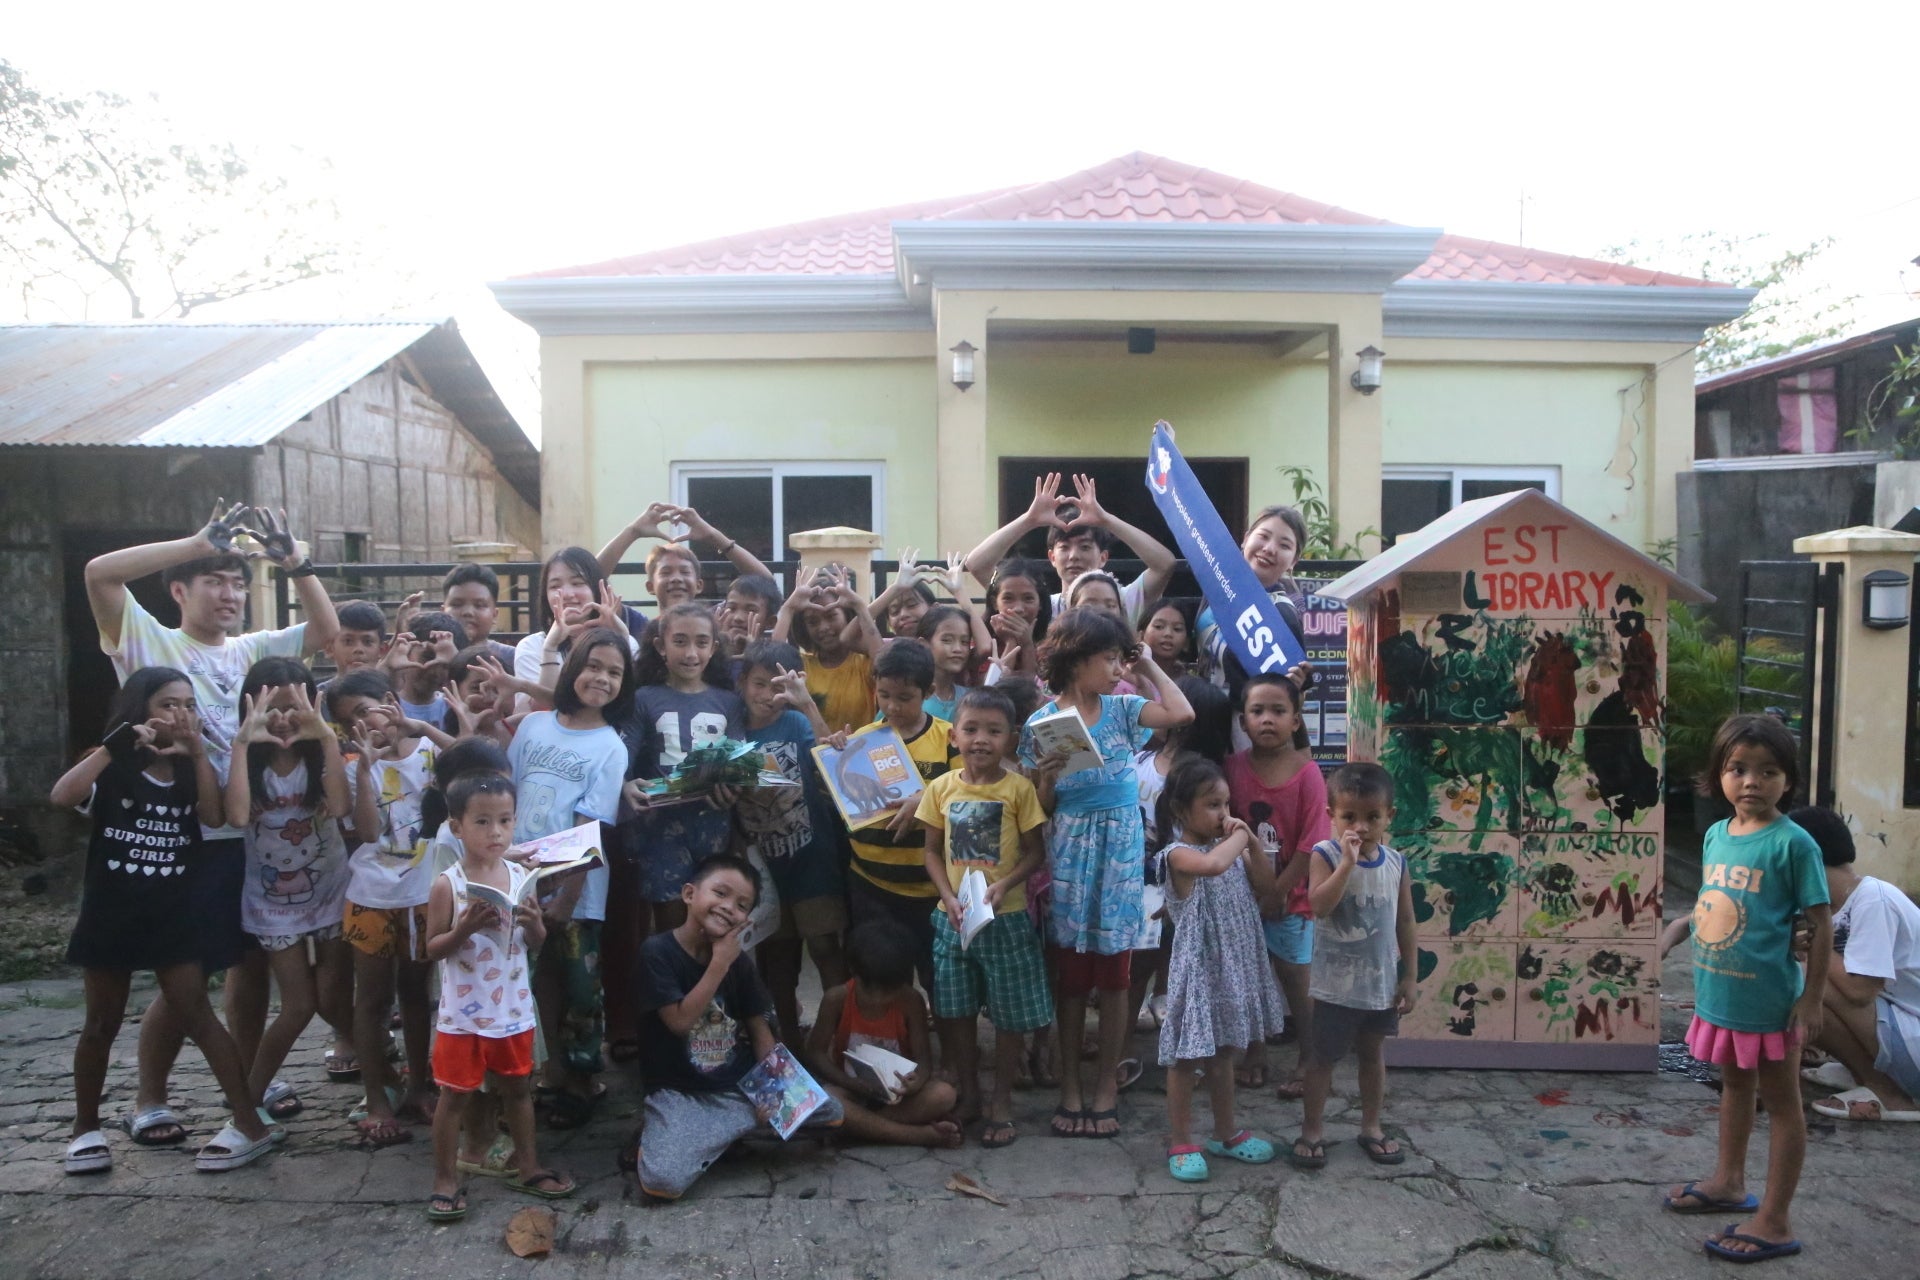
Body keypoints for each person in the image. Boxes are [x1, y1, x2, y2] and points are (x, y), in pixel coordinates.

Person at [83, 500, 339, 1150]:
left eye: (235, 583)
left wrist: (295, 561)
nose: (228, 594)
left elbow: (325, 629)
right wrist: (194, 542)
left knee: (247, 967)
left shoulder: (255, 649)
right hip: (181, 836)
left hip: (247, 839)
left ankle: (247, 1080)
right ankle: (150, 1097)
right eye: (213, 580)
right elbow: (99, 573)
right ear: (179, 590)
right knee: (186, 978)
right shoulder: (150, 642)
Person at [54, 667, 276, 1175]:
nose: (181, 714)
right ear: (140, 710)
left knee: (197, 1013)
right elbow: (62, 797)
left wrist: (197, 754)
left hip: (173, 915)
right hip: (111, 915)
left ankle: (249, 1123)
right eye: (168, 704)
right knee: (101, 1023)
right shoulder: (111, 765)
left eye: (189, 705)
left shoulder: (188, 767)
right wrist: (113, 746)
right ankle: (85, 1128)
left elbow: (214, 817)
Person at [1661, 715, 1833, 1263]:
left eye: (1768, 771)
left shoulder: (1794, 844)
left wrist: (1811, 1000)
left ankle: (1775, 1220)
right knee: (1734, 1085)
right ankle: (1728, 1182)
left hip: (1770, 1002)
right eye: (1738, 769)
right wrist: (1677, 930)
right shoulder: (1716, 835)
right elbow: (1713, 903)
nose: (1752, 781)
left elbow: (1821, 923)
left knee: (1782, 1103)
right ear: (1718, 775)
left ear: (1789, 780)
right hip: (1720, 994)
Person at [1021, 607, 1193, 1138]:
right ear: (1076, 659)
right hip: (1071, 852)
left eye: (1122, 658)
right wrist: (1047, 780)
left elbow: (1181, 712)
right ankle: (1071, 1086)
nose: (1118, 668)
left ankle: (1105, 1089)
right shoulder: (1042, 722)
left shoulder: (1123, 709)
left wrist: (1147, 665)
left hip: (1119, 853)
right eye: (1109, 658)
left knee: (1116, 976)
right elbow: (1041, 807)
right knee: (1073, 978)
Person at [632, 855, 845, 1201]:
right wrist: (719, 963)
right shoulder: (658, 952)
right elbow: (680, 1022)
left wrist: (771, 1092)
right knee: (662, 1181)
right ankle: (703, 1133)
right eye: (720, 893)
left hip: (737, 1084)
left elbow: (760, 1032)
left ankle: (719, 1135)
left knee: (831, 1114)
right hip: (680, 1090)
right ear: (689, 894)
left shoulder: (739, 963)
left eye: (742, 905)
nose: (728, 907)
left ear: (746, 919)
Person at [422, 772, 576, 1221]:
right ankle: (445, 1179)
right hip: (463, 1016)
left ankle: (528, 1166)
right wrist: (463, 928)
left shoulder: (520, 876)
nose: (496, 833)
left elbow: (535, 943)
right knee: (454, 1096)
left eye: (505, 821)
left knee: (519, 1090)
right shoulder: (448, 884)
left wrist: (535, 923)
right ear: (457, 826)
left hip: (512, 1010)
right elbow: (431, 948)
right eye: (483, 822)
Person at [606, 605, 745, 1061]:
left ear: (714, 647)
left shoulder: (728, 701)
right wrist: (626, 785)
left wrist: (733, 788)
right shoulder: (644, 698)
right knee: (673, 932)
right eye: (680, 641)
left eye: (701, 642)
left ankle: (712, 1035)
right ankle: (670, 1034)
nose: (691, 653)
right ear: (660, 647)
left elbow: (739, 762)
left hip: (713, 835)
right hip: (660, 837)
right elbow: (621, 760)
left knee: (715, 927)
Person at [508, 628, 632, 1130]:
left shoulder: (611, 746)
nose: (602, 679)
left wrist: (566, 898)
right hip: (521, 883)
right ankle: (551, 1071)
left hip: (576, 892)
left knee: (580, 987)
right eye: (593, 666)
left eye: (615, 672)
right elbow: (509, 797)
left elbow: (590, 828)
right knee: (540, 982)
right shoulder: (533, 726)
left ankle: (584, 1079)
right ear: (573, 668)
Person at [919, 687, 1053, 1146]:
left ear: (1010, 739)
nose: (981, 739)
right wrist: (947, 897)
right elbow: (931, 852)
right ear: (953, 736)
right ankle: (971, 1093)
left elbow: (1035, 852)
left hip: (1006, 918)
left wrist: (1005, 885)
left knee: (1009, 1013)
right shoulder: (941, 788)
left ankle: (1002, 1100)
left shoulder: (1019, 789)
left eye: (994, 731)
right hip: (952, 919)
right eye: (971, 729)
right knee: (954, 1008)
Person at [228, 658, 354, 1124]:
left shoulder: (321, 754)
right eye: (271, 708)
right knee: (298, 1006)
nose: (282, 719)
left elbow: (339, 806)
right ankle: (248, 1104)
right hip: (272, 906)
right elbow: (236, 816)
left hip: (331, 893)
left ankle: (384, 1073)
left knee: (333, 1000)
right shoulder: (244, 759)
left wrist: (325, 736)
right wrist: (243, 741)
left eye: (293, 706)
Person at [1156, 757, 1285, 1182]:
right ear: (1181, 810)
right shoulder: (1177, 855)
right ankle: (1181, 1141)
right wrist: (1243, 835)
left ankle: (1226, 1133)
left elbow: (1268, 887)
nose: (1224, 814)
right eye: (1213, 805)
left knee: (1225, 1051)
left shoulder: (1231, 850)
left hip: (1231, 967)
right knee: (1186, 1056)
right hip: (1198, 970)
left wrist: (1251, 845)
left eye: (1227, 804)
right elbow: (1212, 867)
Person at [336, 669, 447, 1144]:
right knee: (373, 999)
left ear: (388, 700)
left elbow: (472, 763)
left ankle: (420, 1087)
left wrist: (421, 727)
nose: (363, 725)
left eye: (366, 711)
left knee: (417, 993)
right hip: (371, 898)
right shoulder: (352, 768)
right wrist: (365, 770)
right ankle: (377, 1098)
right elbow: (364, 832)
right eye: (350, 722)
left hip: (424, 894)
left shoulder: (429, 752)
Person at [1294, 762, 1416, 1172]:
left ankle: (1371, 1127)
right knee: (1322, 1058)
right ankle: (1312, 1130)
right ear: (1332, 815)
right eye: (1349, 817)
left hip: (1379, 984)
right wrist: (1347, 864)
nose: (1360, 827)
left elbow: (1405, 921)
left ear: (1389, 816)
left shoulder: (1396, 862)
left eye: (1372, 817)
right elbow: (1319, 905)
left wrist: (1410, 976)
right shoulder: (1325, 855)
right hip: (1335, 985)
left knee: (1372, 1054)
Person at [736, 640, 850, 1040]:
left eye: (779, 687)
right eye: (759, 684)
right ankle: (787, 1044)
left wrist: (807, 705)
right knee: (777, 960)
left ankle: (837, 1038)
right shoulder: (733, 730)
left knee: (824, 947)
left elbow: (830, 765)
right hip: (764, 867)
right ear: (742, 682)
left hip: (812, 859)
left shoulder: (797, 723)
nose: (768, 696)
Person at [1120, 675, 1230, 1089]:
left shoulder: (1204, 776)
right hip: (1138, 886)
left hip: (1185, 887)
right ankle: (1123, 1045)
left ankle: (1186, 1055)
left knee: (1185, 974)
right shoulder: (1139, 760)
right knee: (1135, 971)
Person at [1226, 673, 1328, 1098]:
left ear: (1296, 720)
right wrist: (1256, 892)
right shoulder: (1232, 769)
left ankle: (1310, 1056)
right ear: (1243, 721)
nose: (1267, 719)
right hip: (1242, 895)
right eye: (1257, 711)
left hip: (1292, 896)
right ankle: (1255, 1050)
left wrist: (1279, 891)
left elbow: (1311, 843)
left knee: (1294, 977)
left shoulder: (1308, 774)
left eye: (1278, 711)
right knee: (1250, 973)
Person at [835, 641, 958, 994]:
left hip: (931, 890)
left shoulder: (949, 738)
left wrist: (926, 799)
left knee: (938, 979)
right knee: (883, 979)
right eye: (884, 695)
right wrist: (834, 754)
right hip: (871, 885)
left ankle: (935, 1026)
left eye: (904, 698)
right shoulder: (861, 740)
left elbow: (969, 795)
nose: (891, 706)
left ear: (928, 692)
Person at [1794, 805, 1920, 1122]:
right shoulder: (1835, 905)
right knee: (1793, 977)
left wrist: (1814, 945)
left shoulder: (1873, 899)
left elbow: (1860, 991)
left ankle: (1889, 1092)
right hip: (1903, 1031)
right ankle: (1861, 1070)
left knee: (1801, 979)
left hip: (1914, 1041)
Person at [801, 919, 963, 1149]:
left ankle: (858, 1129)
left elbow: (924, 1060)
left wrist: (915, 1083)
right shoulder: (836, 999)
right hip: (851, 1090)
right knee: (828, 1099)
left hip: (898, 1096)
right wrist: (850, 1083)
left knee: (944, 1095)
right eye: (869, 991)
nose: (878, 1000)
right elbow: (815, 1053)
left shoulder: (911, 1002)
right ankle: (915, 1135)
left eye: (888, 992)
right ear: (854, 974)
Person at [963, 471, 1176, 626]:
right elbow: (977, 564)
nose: (1074, 556)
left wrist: (1106, 520)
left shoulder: (1120, 600)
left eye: (1085, 547)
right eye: (1064, 548)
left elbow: (1164, 564)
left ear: (1103, 557)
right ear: (1052, 557)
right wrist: (1029, 520)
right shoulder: (1040, 606)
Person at [1196, 505, 1311, 707]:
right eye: (1263, 536)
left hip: (1242, 722)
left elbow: (1295, 698)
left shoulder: (1282, 614)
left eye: (1284, 545)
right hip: (1200, 713)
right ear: (1246, 538)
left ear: (1294, 560)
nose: (1269, 549)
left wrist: (1295, 688)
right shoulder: (1217, 588)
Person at [513, 546, 642, 697]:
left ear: (596, 588)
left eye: (577, 583)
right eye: (555, 586)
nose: (567, 594)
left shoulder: (627, 641)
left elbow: (631, 700)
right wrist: (550, 648)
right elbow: (540, 707)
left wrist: (622, 640)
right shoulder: (531, 647)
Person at [594, 501, 773, 608]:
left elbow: (766, 584)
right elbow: (590, 580)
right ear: (650, 586)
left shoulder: (714, 622)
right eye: (666, 572)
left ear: (699, 585)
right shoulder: (636, 624)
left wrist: (714, 536)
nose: (676, 578)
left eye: (685, 572)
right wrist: (632, 531)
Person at [774, 565, 883, 733]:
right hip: (814, 749)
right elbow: (774, 660)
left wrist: (859, 606)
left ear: (847, 615)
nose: (823, 627)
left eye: (831, 616)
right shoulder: (803, 666)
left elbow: (884, 664)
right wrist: (788, 608)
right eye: (813, 622)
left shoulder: (864, 662)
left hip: (864, 748)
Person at [383, 610, 469, 733]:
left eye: (445, 665)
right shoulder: (388, 702)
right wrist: (386, 667)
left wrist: (458, 664)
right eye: (428, 657)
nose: (434, 670)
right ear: (407, 651)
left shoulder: (454, 706)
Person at [980, 558, 1051, 680]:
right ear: (995, 603)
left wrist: (1027, 645)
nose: (1018, 608)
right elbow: (992, 686)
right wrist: (1011, 642)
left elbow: (1031, 686)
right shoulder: (983, 641)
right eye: (1008, 598)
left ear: (1040, 603)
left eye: (1028, 598)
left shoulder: (1051, 643)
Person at [440, 563, 517, 666]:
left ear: (494, 615)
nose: (468, 612)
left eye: (479, 605)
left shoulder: (513, 658)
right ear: (443, 612)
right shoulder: (427, 657)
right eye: (457, 604)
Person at [717, 573, 784, 670]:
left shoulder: (770, 663)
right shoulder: (707, 652)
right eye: (732, 608)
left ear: (770, 622)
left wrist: (752, 653)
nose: (738, 618)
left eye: (751, 611)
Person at [1140, 598, 1195, 683]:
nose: (1168, 634)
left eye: (1177, 629)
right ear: (1141, 635)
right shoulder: (1125, 676)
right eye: (1158, 626)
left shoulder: (1190, 685)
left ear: (1186, 643)